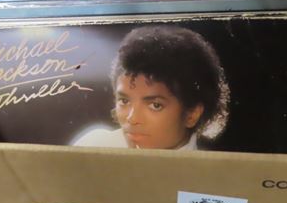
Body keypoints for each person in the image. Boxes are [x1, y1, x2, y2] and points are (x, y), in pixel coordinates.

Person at [72, 25, 229, 150]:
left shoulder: (216, 171)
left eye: (155, 105)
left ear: (192, 114)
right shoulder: (93, 148)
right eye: (124, 101)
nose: (132, 118)